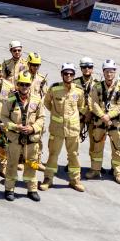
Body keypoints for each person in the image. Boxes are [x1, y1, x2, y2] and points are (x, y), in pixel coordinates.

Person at [40, 64, 86, 192]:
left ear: (74, 75)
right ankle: (48, 179)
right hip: (57, 128)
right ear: (62, 74)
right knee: (53, 155)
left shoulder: (79, 90)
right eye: (66, 74)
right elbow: (47, 103)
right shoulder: (54, 89)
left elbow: (82, 107)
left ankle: (75, 180)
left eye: (71, 74)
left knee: (74, 155)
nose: (68, 76)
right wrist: (55, 113)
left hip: (73, 129)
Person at [0, 73, 45, 201]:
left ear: (30, 85)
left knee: (31, 164)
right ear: (17, 85)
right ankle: (9, 189)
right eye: (22, 84)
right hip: (15, 138)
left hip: (31, 139)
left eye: (27, 84)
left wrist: (33, 128)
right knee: (12, 164)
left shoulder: (37, 100)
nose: (24, 87)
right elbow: (3, 117)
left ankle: (32, 189)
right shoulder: (10, 100)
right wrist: (15, 126)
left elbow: (41, 118)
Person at [88, 59, 120, 183]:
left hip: (114, 122)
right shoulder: (97, 87)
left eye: (111, 72)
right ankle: (95, 170)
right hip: (100, 122)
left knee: (117, 148)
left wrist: (109, 116)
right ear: (103, 72)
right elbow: (93, 103)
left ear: (115, 72)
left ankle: (119, 173)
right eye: (107, 72)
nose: (109, 74)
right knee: (97, 146)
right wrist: (102, 116)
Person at [77, 57, 96, 158]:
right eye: (84, 67)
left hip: (93, 116)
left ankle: (95, 165)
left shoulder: (97, 83)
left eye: (89, 67)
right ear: (81, 68)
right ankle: (72, 162)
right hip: (79, 116)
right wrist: (84, 112)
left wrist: (90, 112)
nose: (87, 69)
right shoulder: (75, 83)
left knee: (94, 141)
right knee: (74, 141)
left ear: (92, 68)